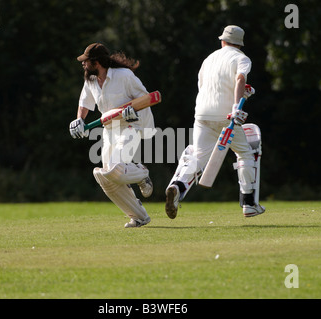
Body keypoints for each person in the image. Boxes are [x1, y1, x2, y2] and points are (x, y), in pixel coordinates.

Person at [165, 25, 265, 219]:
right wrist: (237, 106)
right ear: (240, 43)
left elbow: (207, 87)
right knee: (245, 152)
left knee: (198, 156)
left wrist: (242, 93)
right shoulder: (242, 58)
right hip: (226, 115)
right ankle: (249, 203)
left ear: (223, 41)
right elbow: (240, 78)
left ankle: (177, 186)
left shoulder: (208, 59)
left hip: (202, 114)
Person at [69, 43, 155, 228]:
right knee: (108, 176)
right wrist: (79, 120)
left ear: (96, 62)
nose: (83, 65)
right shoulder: (91, 80)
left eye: (86, 61)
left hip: (131, 124)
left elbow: (146, 98)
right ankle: (139, 216)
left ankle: (142, 174)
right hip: (109, 129)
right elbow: (85, 102)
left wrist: (132, 110)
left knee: (117, 167)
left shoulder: (124, 76)